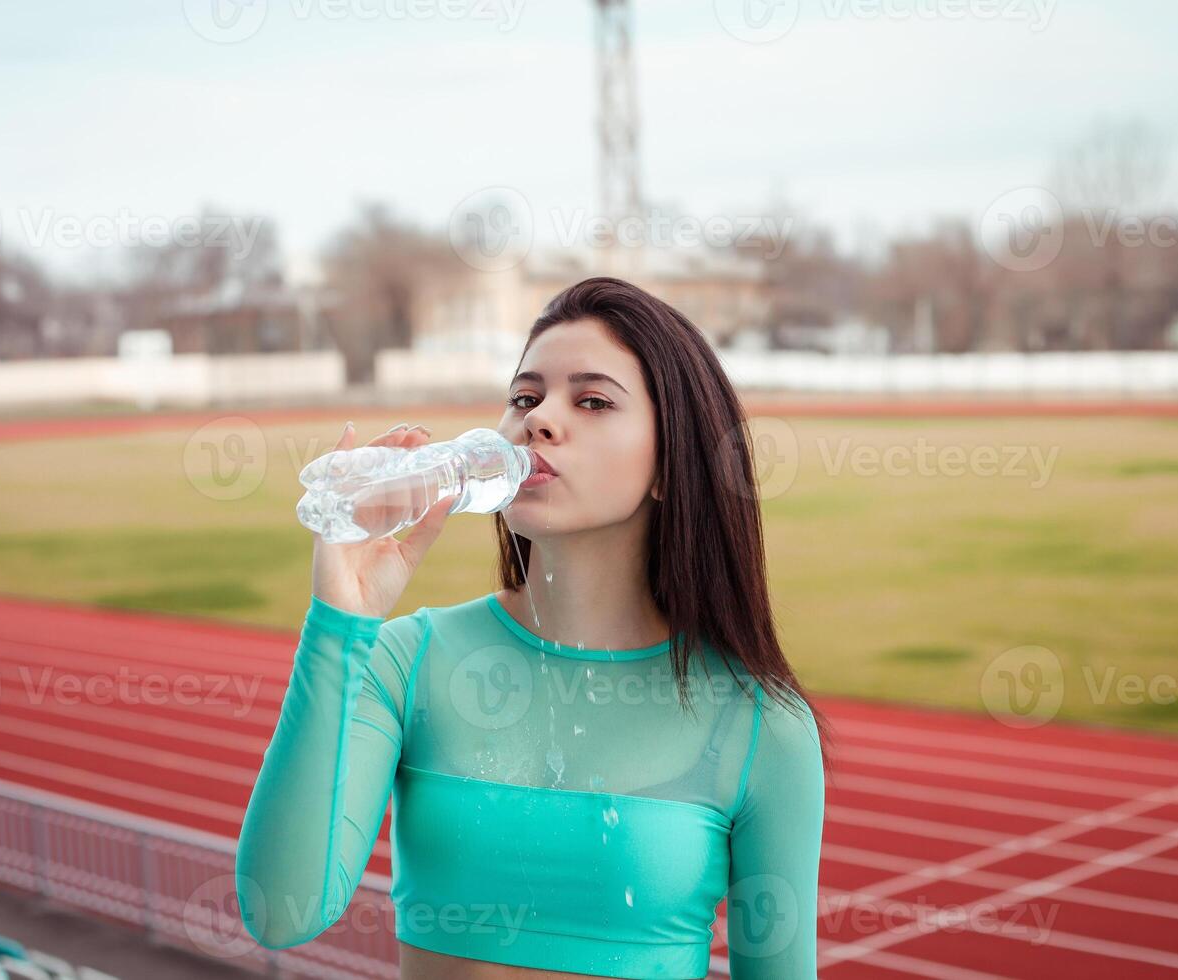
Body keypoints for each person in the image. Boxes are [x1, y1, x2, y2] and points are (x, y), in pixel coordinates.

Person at [236, 276, 832, 979]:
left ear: (671, 465)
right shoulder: (409, 660)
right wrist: (341, 621)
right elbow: (281, 912)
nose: (539, 420)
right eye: (525, 397)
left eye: (592, 400)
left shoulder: (762, 723)